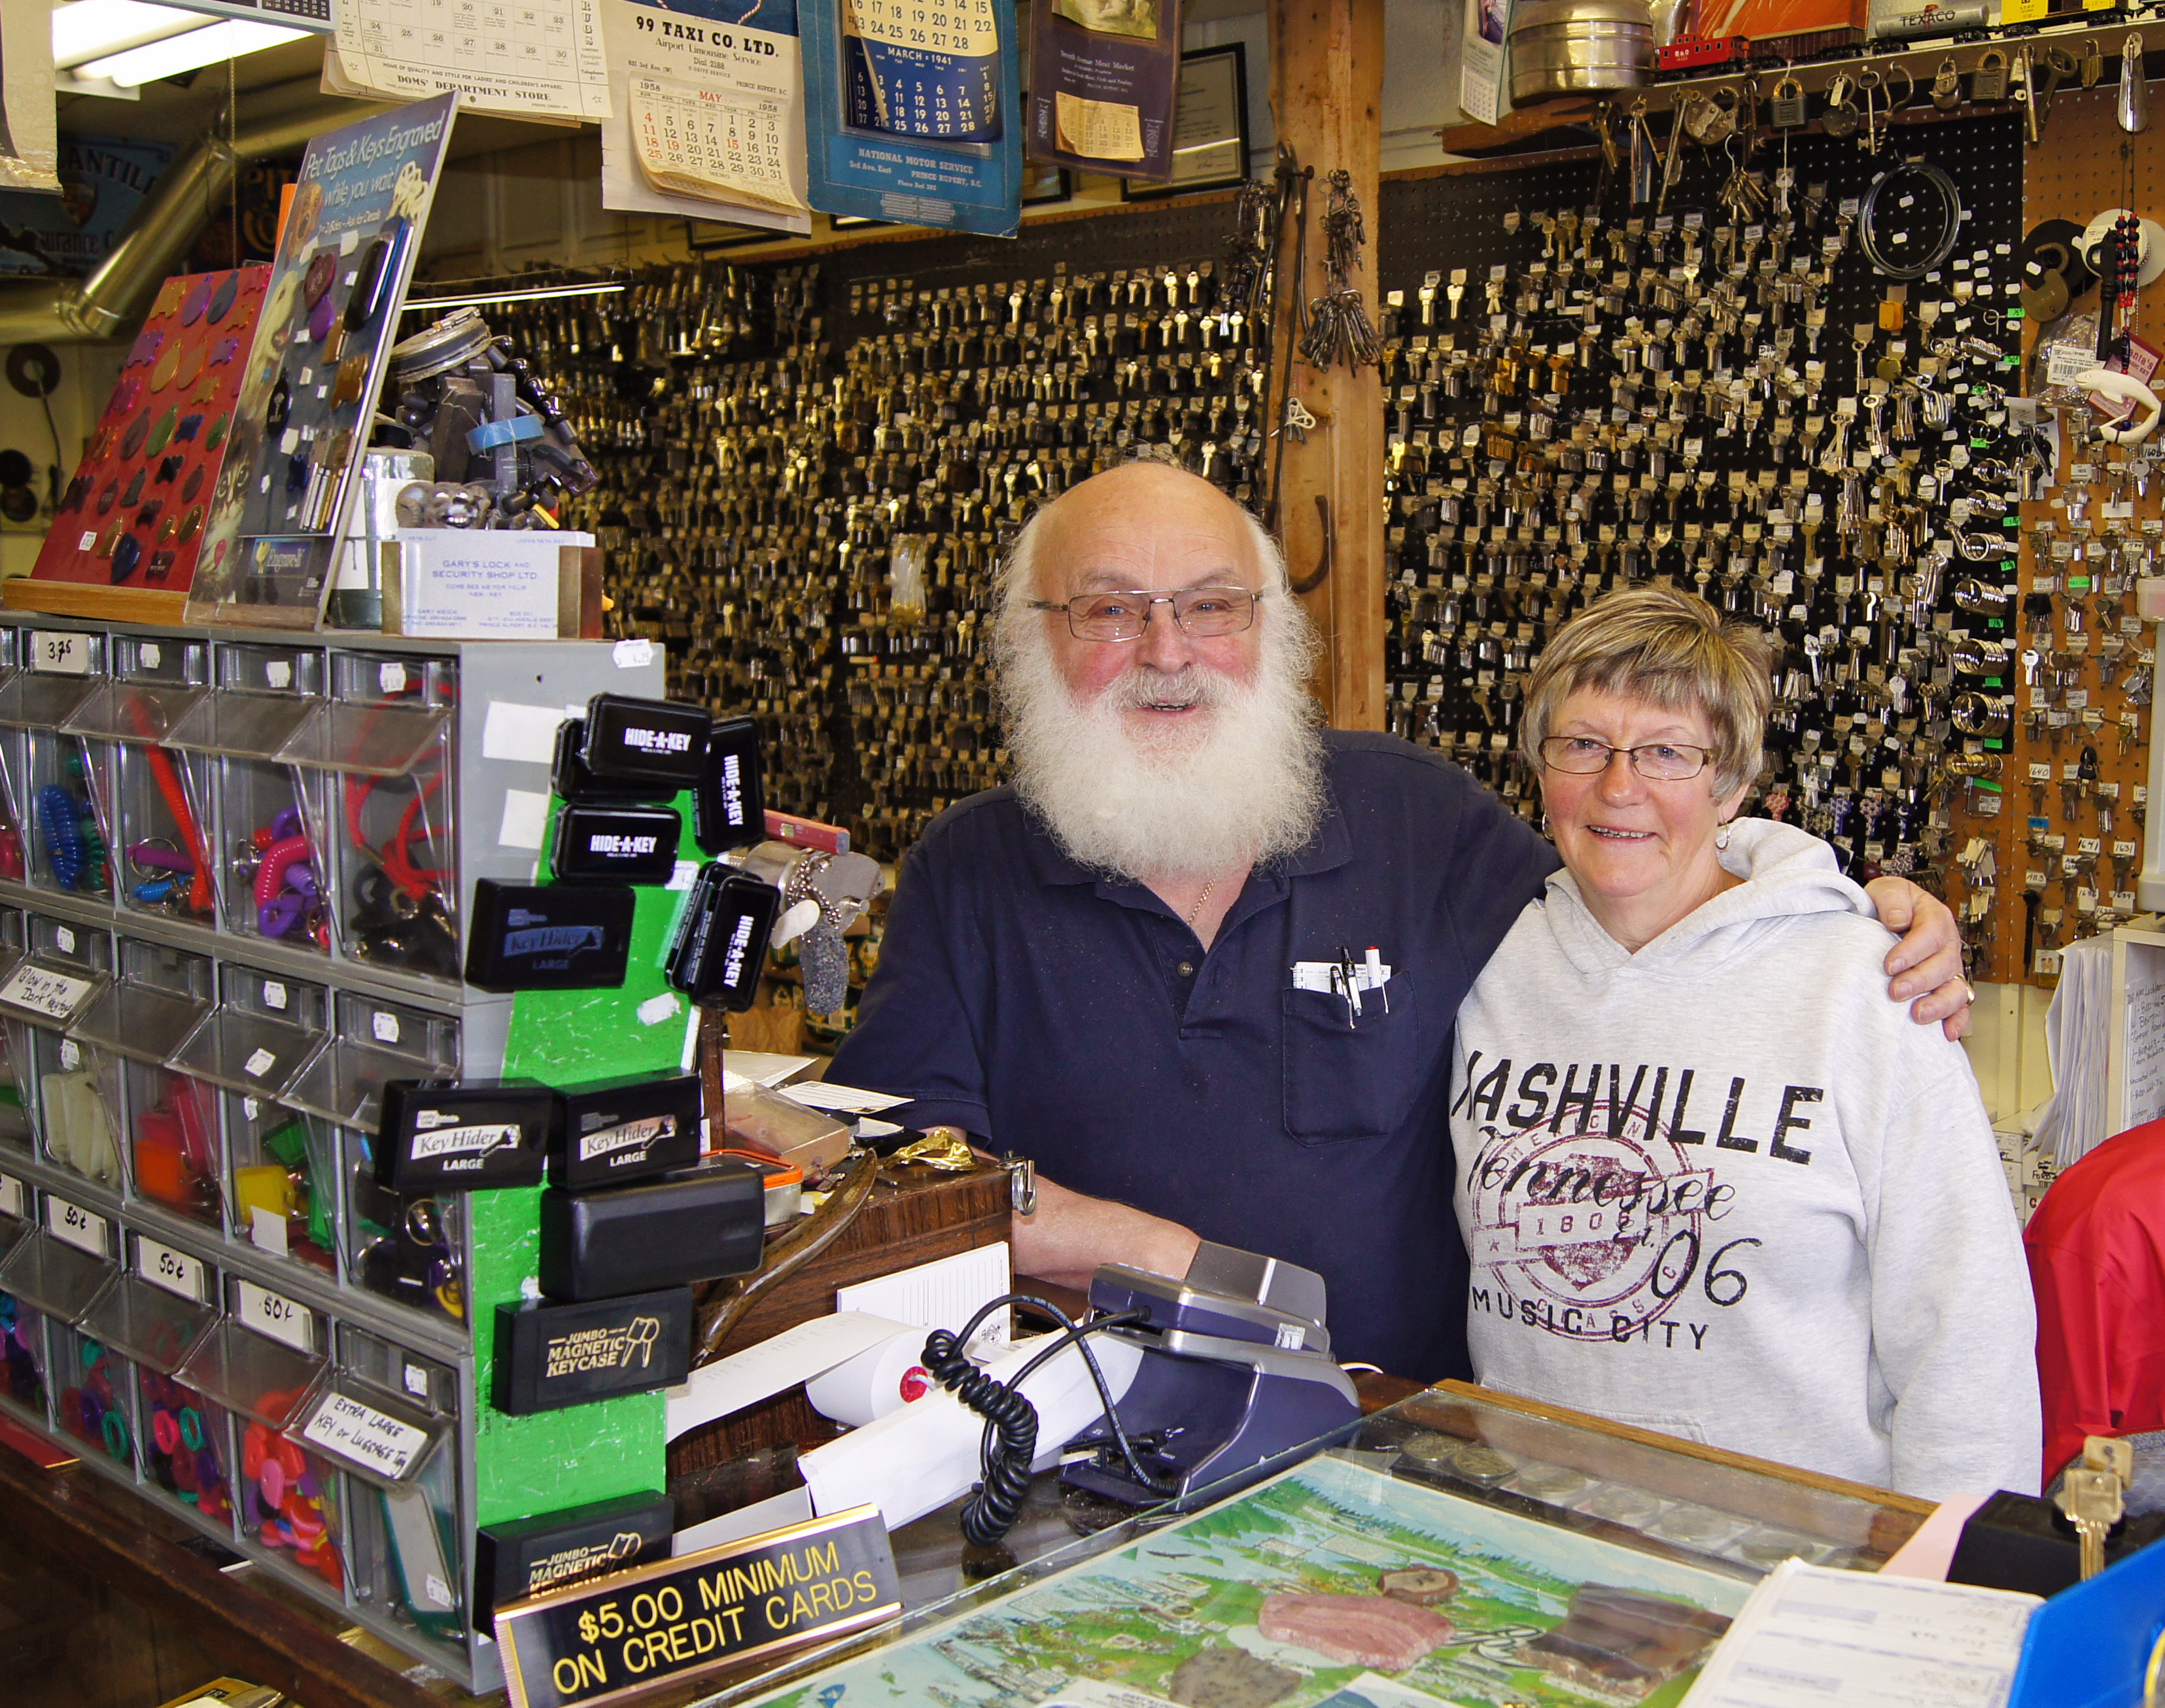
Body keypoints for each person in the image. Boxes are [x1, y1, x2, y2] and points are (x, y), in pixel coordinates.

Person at [823, 462, 1973, 1384]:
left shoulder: (1420, 823)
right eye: (1111, 611)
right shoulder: (970, 870)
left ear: (1270, 629)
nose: (1167, 653)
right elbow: (892, 1180)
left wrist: (1838, 909)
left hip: (1407, 1457)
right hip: (1093, 1445)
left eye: (1211, 606)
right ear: (1038, 635)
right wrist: (1152, 1253)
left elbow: (1636, 883)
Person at [1446, 587, 2037, 1498]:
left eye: (1667, 753)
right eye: (1583, 745)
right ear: (1539, 764)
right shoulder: (1482, 959)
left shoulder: (1866, 989)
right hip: (1534, 1530)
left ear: (1731, 786)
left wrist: (1955, 1567)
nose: (1619, 787)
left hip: (1796, 1551)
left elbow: (1966, 1336)